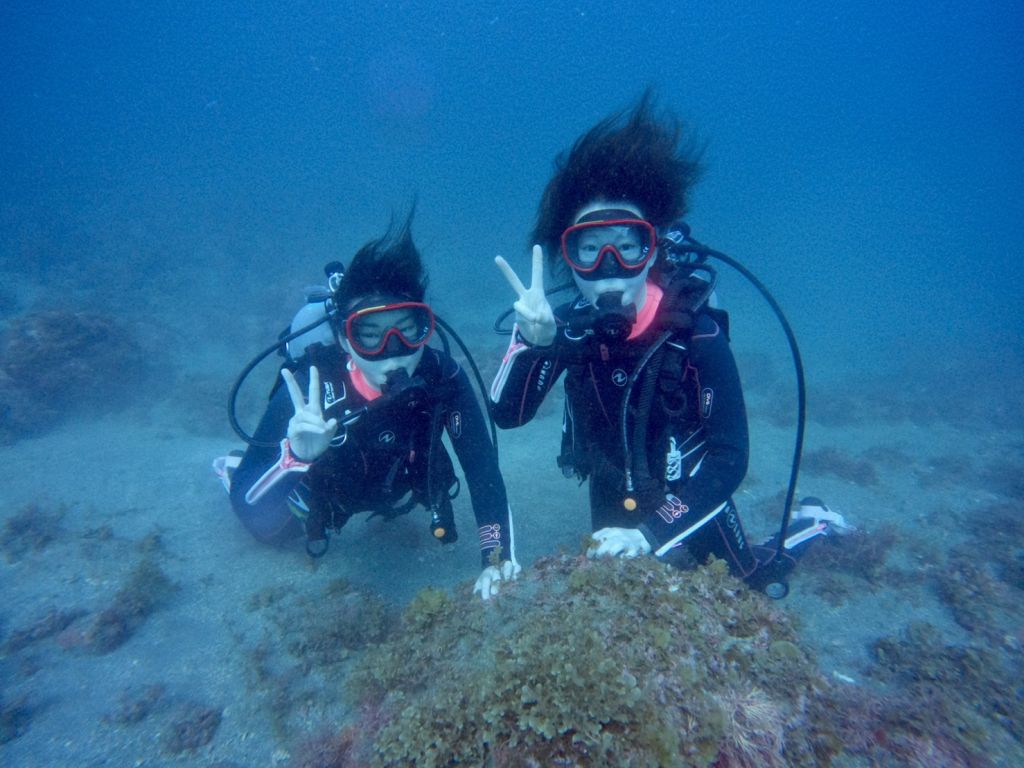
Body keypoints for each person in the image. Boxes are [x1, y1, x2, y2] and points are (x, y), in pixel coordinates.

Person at [490, 94, 849, 592]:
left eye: (627, 246)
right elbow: (508, 416)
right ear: (568, 258)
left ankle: (815, 522)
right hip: (611, 480)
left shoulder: (693, 332)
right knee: (619, 589)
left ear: (651, 248)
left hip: (691, 485)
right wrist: (535, 344)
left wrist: (652, 533)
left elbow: (729, 458)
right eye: (589, 249)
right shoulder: (563, 328)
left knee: (750, 584)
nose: (610, 268)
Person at [223, 213, 520, 601]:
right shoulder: (312, 388)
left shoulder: (442, 377)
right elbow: (249, 507)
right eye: (369, 335)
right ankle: (234, 465)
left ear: (425, 327)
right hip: (322, 500)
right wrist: (295, 457)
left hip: (396, 492)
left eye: (407, 330)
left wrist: (497, 559)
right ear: (344, 340)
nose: (393, 351)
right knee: (274, 532)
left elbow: (482, 470)